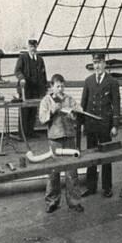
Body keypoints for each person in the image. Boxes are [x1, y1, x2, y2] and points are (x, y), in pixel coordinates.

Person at [38, 74, 84, 213]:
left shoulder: (69, 99)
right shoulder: (46, 100)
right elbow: (42, 119)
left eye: (62, 85)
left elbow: (79, 111)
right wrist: (52, 111)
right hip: (55, 139)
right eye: (57, 86)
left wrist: (74, 115)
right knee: (53, 172)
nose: (60, 88)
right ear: (52, 86)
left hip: (70, 137)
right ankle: (52, 201)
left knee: (72, 171)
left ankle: (74, 201)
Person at [80, 52, 121, 198]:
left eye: (99, 62)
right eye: (95, 63)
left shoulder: (112, 82)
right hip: (91, 124)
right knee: (91, 156)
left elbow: (116, 105)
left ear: (104, 64)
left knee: (106, 156)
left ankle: (107, 187)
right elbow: (83, 105)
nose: (97, 66)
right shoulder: (88, 81)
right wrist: (82, 124)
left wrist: (115, 125)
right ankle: (91, 187)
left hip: (105, 124)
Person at [14, 39, 48, 138]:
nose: (33, 49)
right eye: (31, 47)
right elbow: (17, 71)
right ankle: (23, 134)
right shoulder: (23, 57)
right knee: (24, 111)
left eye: (34, 47)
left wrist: (44, 89)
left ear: (36, 47)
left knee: (33, 111)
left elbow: (43, 74)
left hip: (36, 89)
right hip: (26, 89)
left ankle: (30, 132)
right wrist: (22, 79)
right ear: (28, 47)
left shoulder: (40, 59)